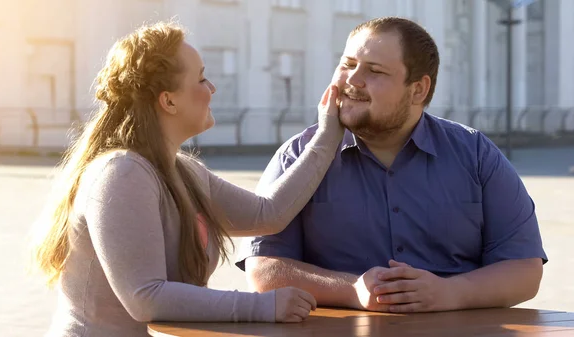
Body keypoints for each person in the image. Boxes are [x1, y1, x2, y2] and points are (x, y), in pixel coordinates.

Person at [29, 21, 345, 337]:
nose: (212, 89)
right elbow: (146, 297)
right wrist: (264, 306)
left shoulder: (184, 172)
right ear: (169, 101)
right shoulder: (122, 173)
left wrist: (329, 132)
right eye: (202, 78)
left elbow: (269, 213)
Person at [236, 17, 547, 314]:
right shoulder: (296, 155)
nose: (353, 80)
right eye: (347, 64)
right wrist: (352, 290)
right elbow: (264, 268)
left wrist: (450, 292)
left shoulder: (475, 154)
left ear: (418, 90)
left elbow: (524, 269)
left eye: (374, 71)